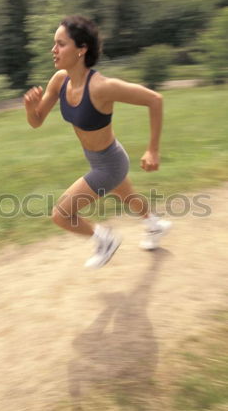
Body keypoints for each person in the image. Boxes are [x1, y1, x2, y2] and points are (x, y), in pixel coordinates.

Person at [24, 15, 171, 269]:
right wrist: (29, 107)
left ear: (81, 49)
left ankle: (105, 239)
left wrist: (152, 150)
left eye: (61, 43)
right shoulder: (59, 81)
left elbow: (154, 100)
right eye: (54, 43)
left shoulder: (102, 87)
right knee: (128, 196)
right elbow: (36, 121)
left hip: (109, 165)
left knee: (61, 215)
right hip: (103, 157)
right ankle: (155, 224)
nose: (54, 50)